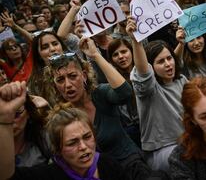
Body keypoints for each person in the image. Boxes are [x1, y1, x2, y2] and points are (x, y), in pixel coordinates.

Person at [43, 38, 153, 179]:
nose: (68, 84)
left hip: (130, 165)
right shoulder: (62, 116)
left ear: (83, 76)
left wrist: (95, 55)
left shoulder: (99, 94)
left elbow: (125, 92)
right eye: (60, 80)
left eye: (72, 76)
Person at [0, 82, 128, 180]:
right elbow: (7, 177)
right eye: (72, 143)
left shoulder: (109, 165)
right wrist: (5, 117)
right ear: (57, 148)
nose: (83, 147)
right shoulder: (47, 176)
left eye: (87, 137)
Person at [127, 17, 188, 171]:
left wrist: (181, 43)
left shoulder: (181, 80)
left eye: (169, 59)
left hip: (188, 143)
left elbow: (176, 60)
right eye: (160, 62)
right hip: (163, 152)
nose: (168, 64)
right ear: (151, 68)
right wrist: (136, 41)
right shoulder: (149, 89)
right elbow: (143, 72)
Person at [107, 38, 141, 147]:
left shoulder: (143, 72)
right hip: (130, 132)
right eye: (115, 54)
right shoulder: (112, 82)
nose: (121, 57)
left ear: (132, 51)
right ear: (111, 60)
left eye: (124, 51)